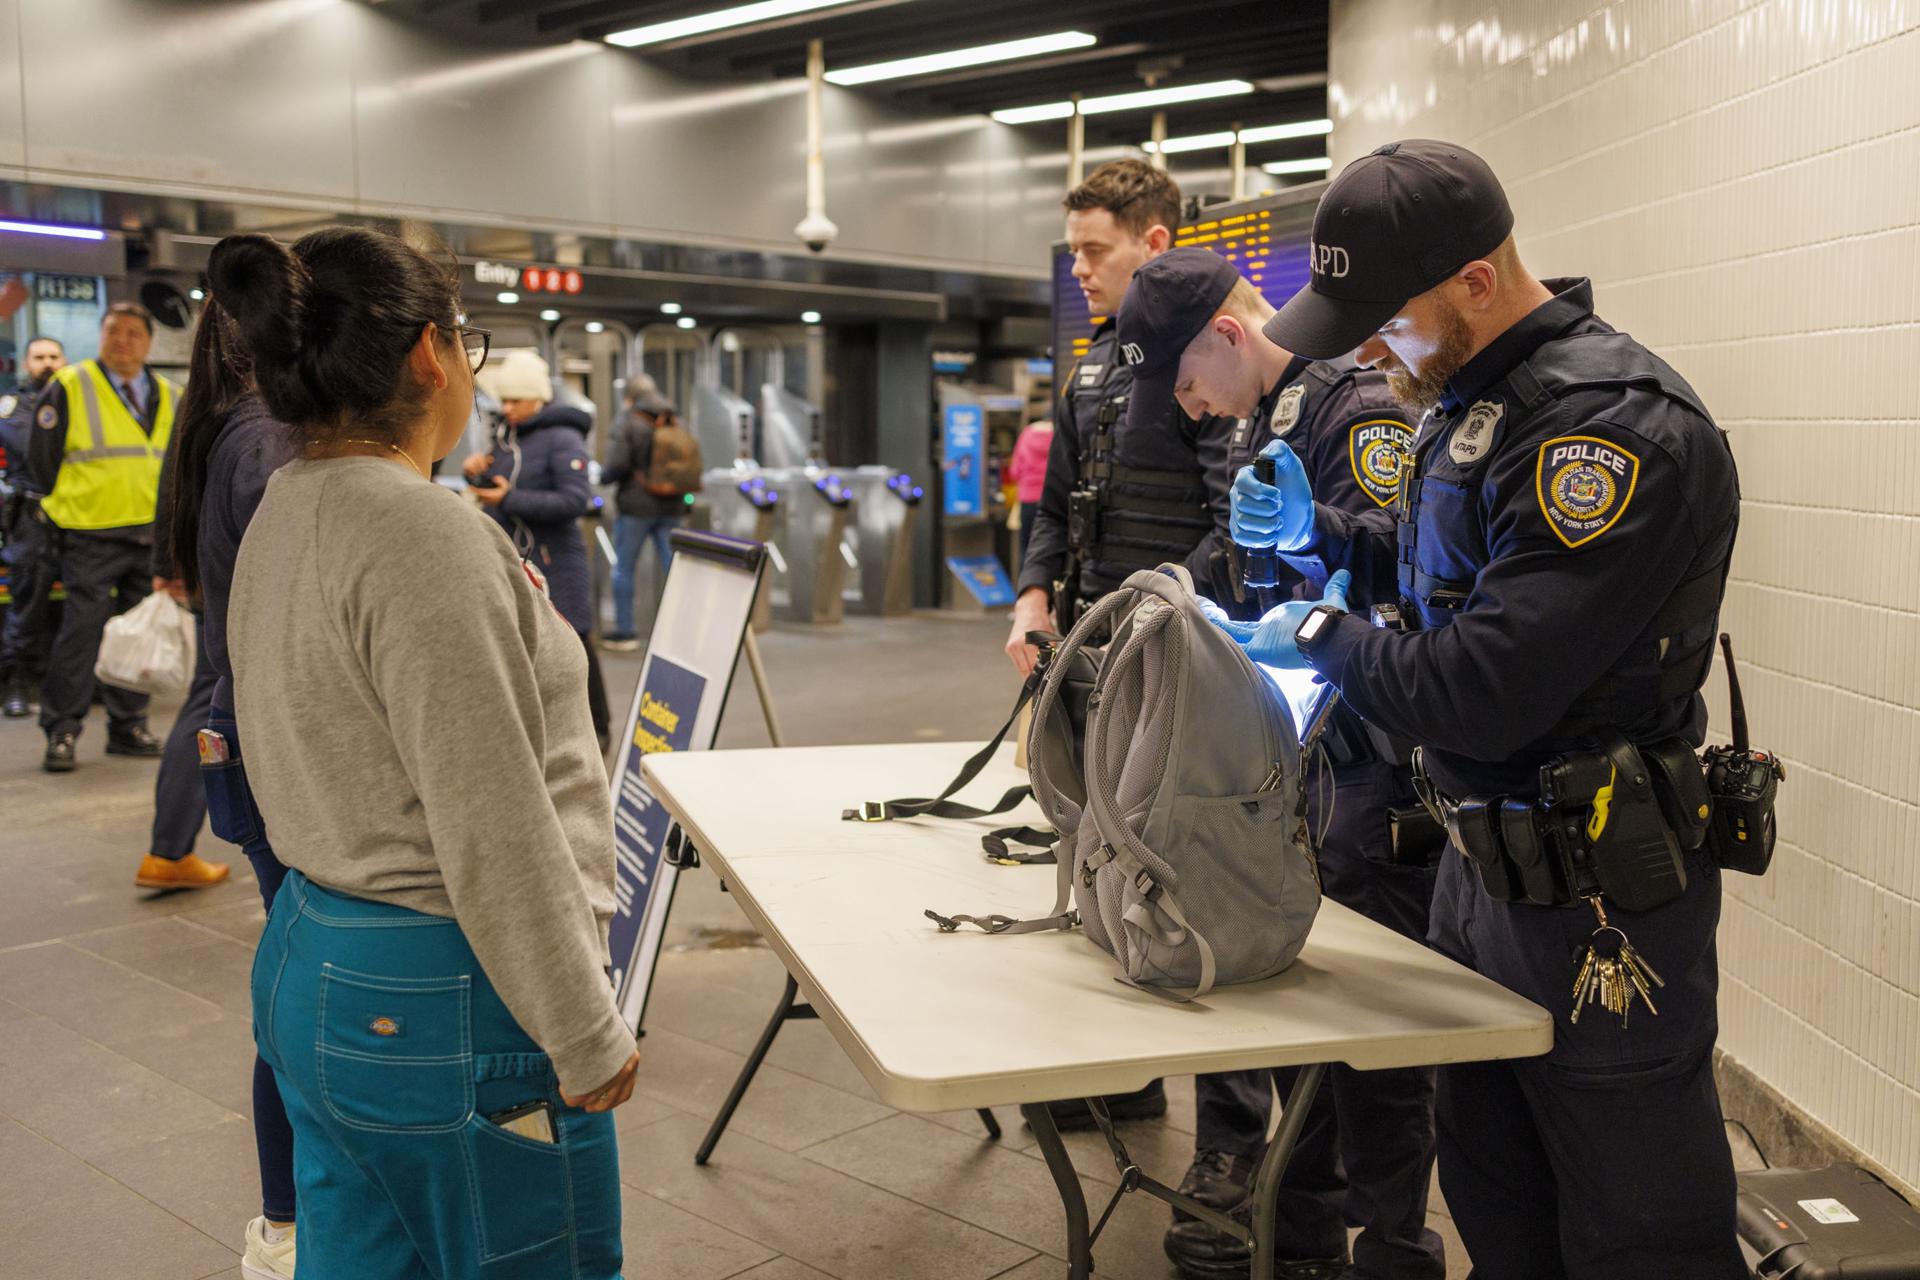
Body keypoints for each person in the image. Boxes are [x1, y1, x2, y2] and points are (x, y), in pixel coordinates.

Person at [1231, 141, 1746, 1279]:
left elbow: (1485, 687)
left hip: (1594, 891)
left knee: (1636, 1226)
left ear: (1476, 278)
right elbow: (1450, 591)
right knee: (1499, 1200)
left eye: (1385, 317)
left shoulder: (1607, 429)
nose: (1367, 347)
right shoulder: (1465, 399)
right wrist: (1327, 543)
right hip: (1476, 875)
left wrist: (1314, 633)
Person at [212, 226, 639, 1278]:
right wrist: (585, 1029)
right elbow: (492, 818)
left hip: (319, 956)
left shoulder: (288, 505)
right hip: (446, 994)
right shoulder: (421, 532)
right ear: (428, 355)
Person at [1114, 248, 1441, 1280]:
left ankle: (1393, 1251)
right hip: (1304, 757)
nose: (1189, 408)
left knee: (1373, 1046)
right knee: (1305, 1025)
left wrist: (1309, 568)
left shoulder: (1352, 406)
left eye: (1182, 382)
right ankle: (1296, 1238)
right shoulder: (1274, 412)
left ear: (1222, 332)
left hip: (1370, 768)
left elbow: (1401, 569)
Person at [1003, 158, 1238, 1131]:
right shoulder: (1096, 364)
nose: (1082, 272)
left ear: (1158, 242)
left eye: (1096, 252)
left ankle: (1231, 1126)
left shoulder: (1211, 366)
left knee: (1199, 866)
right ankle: (1122, 1070)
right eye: (1074, 254)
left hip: (1180, 656)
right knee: (1097, 853)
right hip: (1095, 648)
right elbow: (1055, 506)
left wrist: (1154, 612)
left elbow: (1233, 526)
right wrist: (1032, 597)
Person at [157, 292, 304, 1273]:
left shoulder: (227, 427)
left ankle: (290, 1223)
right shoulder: (268, 445)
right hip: (273, 748)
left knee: (302, 982)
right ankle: (287, 1229)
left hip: (244, 737)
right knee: (305, 995)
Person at [26, 304, 175, 771]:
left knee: (137, 637)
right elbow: (42, 459)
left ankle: (128, 726)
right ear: (100, 336)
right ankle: (62, 730)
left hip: (148, 532)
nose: (123, 341)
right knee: (81, 633)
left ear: (149, 342)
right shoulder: (72, 384)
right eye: (114, 332)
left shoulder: (170, 393)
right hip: (90, 531)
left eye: (134, 333)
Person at [464, 350, 611, 750]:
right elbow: (502, 480)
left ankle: (598, 730)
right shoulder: (510, 436)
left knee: (574, 640)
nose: (507, 408)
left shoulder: (564, 439)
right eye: (504, 400)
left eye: (515, 401)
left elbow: (574, 501)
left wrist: (510, 499)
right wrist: (475, 472)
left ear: (537, 398)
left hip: (556, 560)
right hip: (517, 559)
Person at [132, 436, 229, 892]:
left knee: (210, 698)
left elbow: (179, 467)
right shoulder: (246, 370)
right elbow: (180, 468)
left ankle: (168, 850)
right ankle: (168, 850)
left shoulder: (216, 374)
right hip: (234, 567)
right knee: (211, 700)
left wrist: (168, 560)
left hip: (216, 561)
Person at [1, 335, 66, 717]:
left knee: (81, 608)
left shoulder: (78, 402)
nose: (48, 363)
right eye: (39, 357)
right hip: (32, 517)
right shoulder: (15, 405)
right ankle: (17, 683)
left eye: (54, 357)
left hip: (77, 516)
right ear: (27, 364)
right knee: (28, 602)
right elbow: (31, 448)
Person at [600, 375, 686, 651]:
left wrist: (603, 477)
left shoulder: (628, 421)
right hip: (671, 505)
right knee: (675, 569)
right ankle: (683, 629)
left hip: (636, 507)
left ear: (630, 396)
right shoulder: (674, 418)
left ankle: (626, 632)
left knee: (624, 568)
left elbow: (616, 463)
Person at [1004, 417, 1052, 561]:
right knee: (1049, 545)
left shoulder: (1027, 434)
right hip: (1051, 498)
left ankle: (1027, 581)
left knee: (1027, 546)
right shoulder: (1057, 434)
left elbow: (1014, 472)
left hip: (1028, 499)